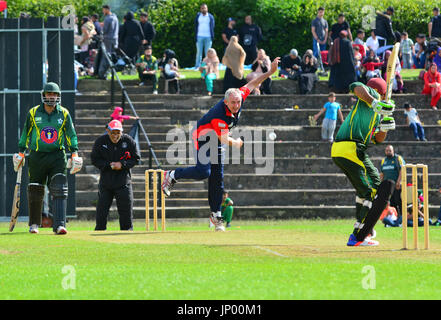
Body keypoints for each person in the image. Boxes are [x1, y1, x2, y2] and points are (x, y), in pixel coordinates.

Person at [161, 57, 280, 232]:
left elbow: (253, 83)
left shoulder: (239, 95)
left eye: (238, 102)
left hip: (216, 140)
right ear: (226, 102)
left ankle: (216, 215)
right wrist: (238, 142)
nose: (236, 105)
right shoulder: (220, 115)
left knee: (218, 179)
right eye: (233, 103)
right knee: (204, 171)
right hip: (203, 138)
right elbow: (225, 139)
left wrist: (269, 72)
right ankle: (172, 175)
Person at [331, 78, 396, 246]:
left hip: (346, 150)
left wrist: (385, 127)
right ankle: (361, 233)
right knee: (373, 186)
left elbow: (377, 140)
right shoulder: (370, 95)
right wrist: (376, 102)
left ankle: (361, 231)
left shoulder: (376, 114)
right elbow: (356, 87)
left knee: (367, 190)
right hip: (351, 147)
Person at [13, 82, 83, 235]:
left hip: (57, 155)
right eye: (49, 94)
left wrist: (74, 152)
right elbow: (26, 133)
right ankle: (34, 224)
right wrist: (21, 152)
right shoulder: (33, 113)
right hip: (37, 156)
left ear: (58, 96)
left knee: (59, 188)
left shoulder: (64, 113)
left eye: (54, 94)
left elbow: (71, 134)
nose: (52, 97)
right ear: (43, 95)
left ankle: (59, 225)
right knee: (35, 189)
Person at [91, 120, 141, 231]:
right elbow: (94, 159)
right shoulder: (100, 141)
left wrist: (122, 164)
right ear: (107, 131)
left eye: (118, 133)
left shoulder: (128, 141)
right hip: (106, 182)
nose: (115, 136)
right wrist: (109, 165)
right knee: (101, 212)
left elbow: (136, 159)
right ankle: (99, 233)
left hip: (123, 182)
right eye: (113, 133)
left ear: (122, 132)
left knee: (126, 212)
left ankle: (126, 234)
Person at [380, 145, 405, 217]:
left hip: (396, 185)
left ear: (393, 151)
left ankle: (402, 217)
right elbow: (382, 173)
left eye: (390, 150)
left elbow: (402, 170)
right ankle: (395, 218)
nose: (388, 152)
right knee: (391, 202)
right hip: (387, 186)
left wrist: (399, 181)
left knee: (399, 201)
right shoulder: (384, 160)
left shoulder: (398, 158)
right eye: (387, 151)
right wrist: (380, 184)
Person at [98, 4, 119, 79]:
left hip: (107, 39)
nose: (103, 11)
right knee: (111, 57)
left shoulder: (108, 18)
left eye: (103, 10)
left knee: (106, 57)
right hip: (115, 39)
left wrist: (102, 27)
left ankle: (102, 74)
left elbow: (105, 30)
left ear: (107, 9)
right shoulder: (115, 17)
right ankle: (108, 73)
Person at [194, 3, 215, 69]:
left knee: (208, 53)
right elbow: (195, 26)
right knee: (199, 52)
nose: (204, 9)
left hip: (208, 37)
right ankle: (197, 66)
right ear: (200, 9)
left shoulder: (210, 17)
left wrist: (212, 36)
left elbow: (213, 26)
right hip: (199, 36)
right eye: (202, 8)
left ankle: (207, 66)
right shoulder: (198, 16)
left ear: (207, 9)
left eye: (205, 8)